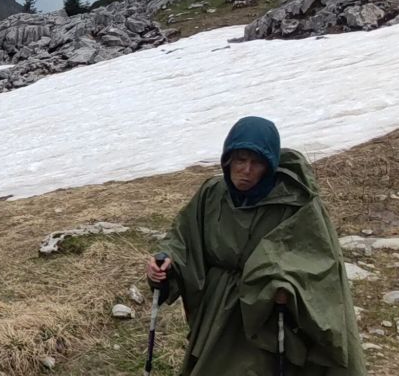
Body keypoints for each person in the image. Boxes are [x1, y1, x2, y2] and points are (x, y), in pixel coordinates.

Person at [144, 116, 366, 375]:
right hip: (218, 313)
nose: (246, 170)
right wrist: (166, 262)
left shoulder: (296, 204)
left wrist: (286, 284)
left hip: (266, 314)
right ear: (228, 160)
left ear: (269, 166)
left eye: (256, 163)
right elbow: (183, 237)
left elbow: (316, 259)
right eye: (240, 160)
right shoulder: (213, 193)